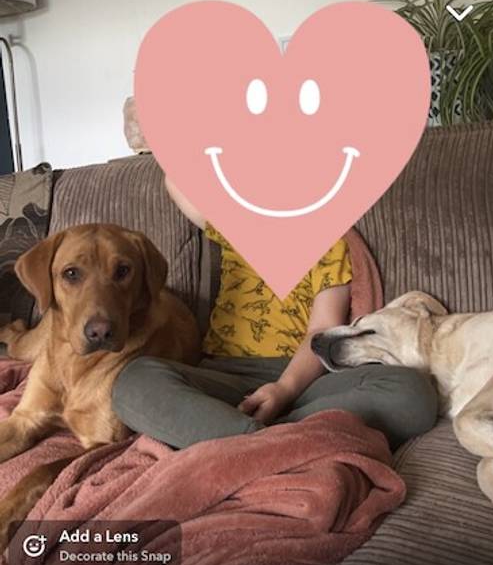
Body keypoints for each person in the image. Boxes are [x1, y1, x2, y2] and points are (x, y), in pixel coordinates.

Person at [112, 178, 438, 451]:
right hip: (222, 378)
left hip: (302, 383)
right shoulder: (232, 225)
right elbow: (176, 179)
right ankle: (270, 443)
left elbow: (322, 330)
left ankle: (249, 440)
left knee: (413, 392)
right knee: (132, 380)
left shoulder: (328, 242)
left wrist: (283, 390)